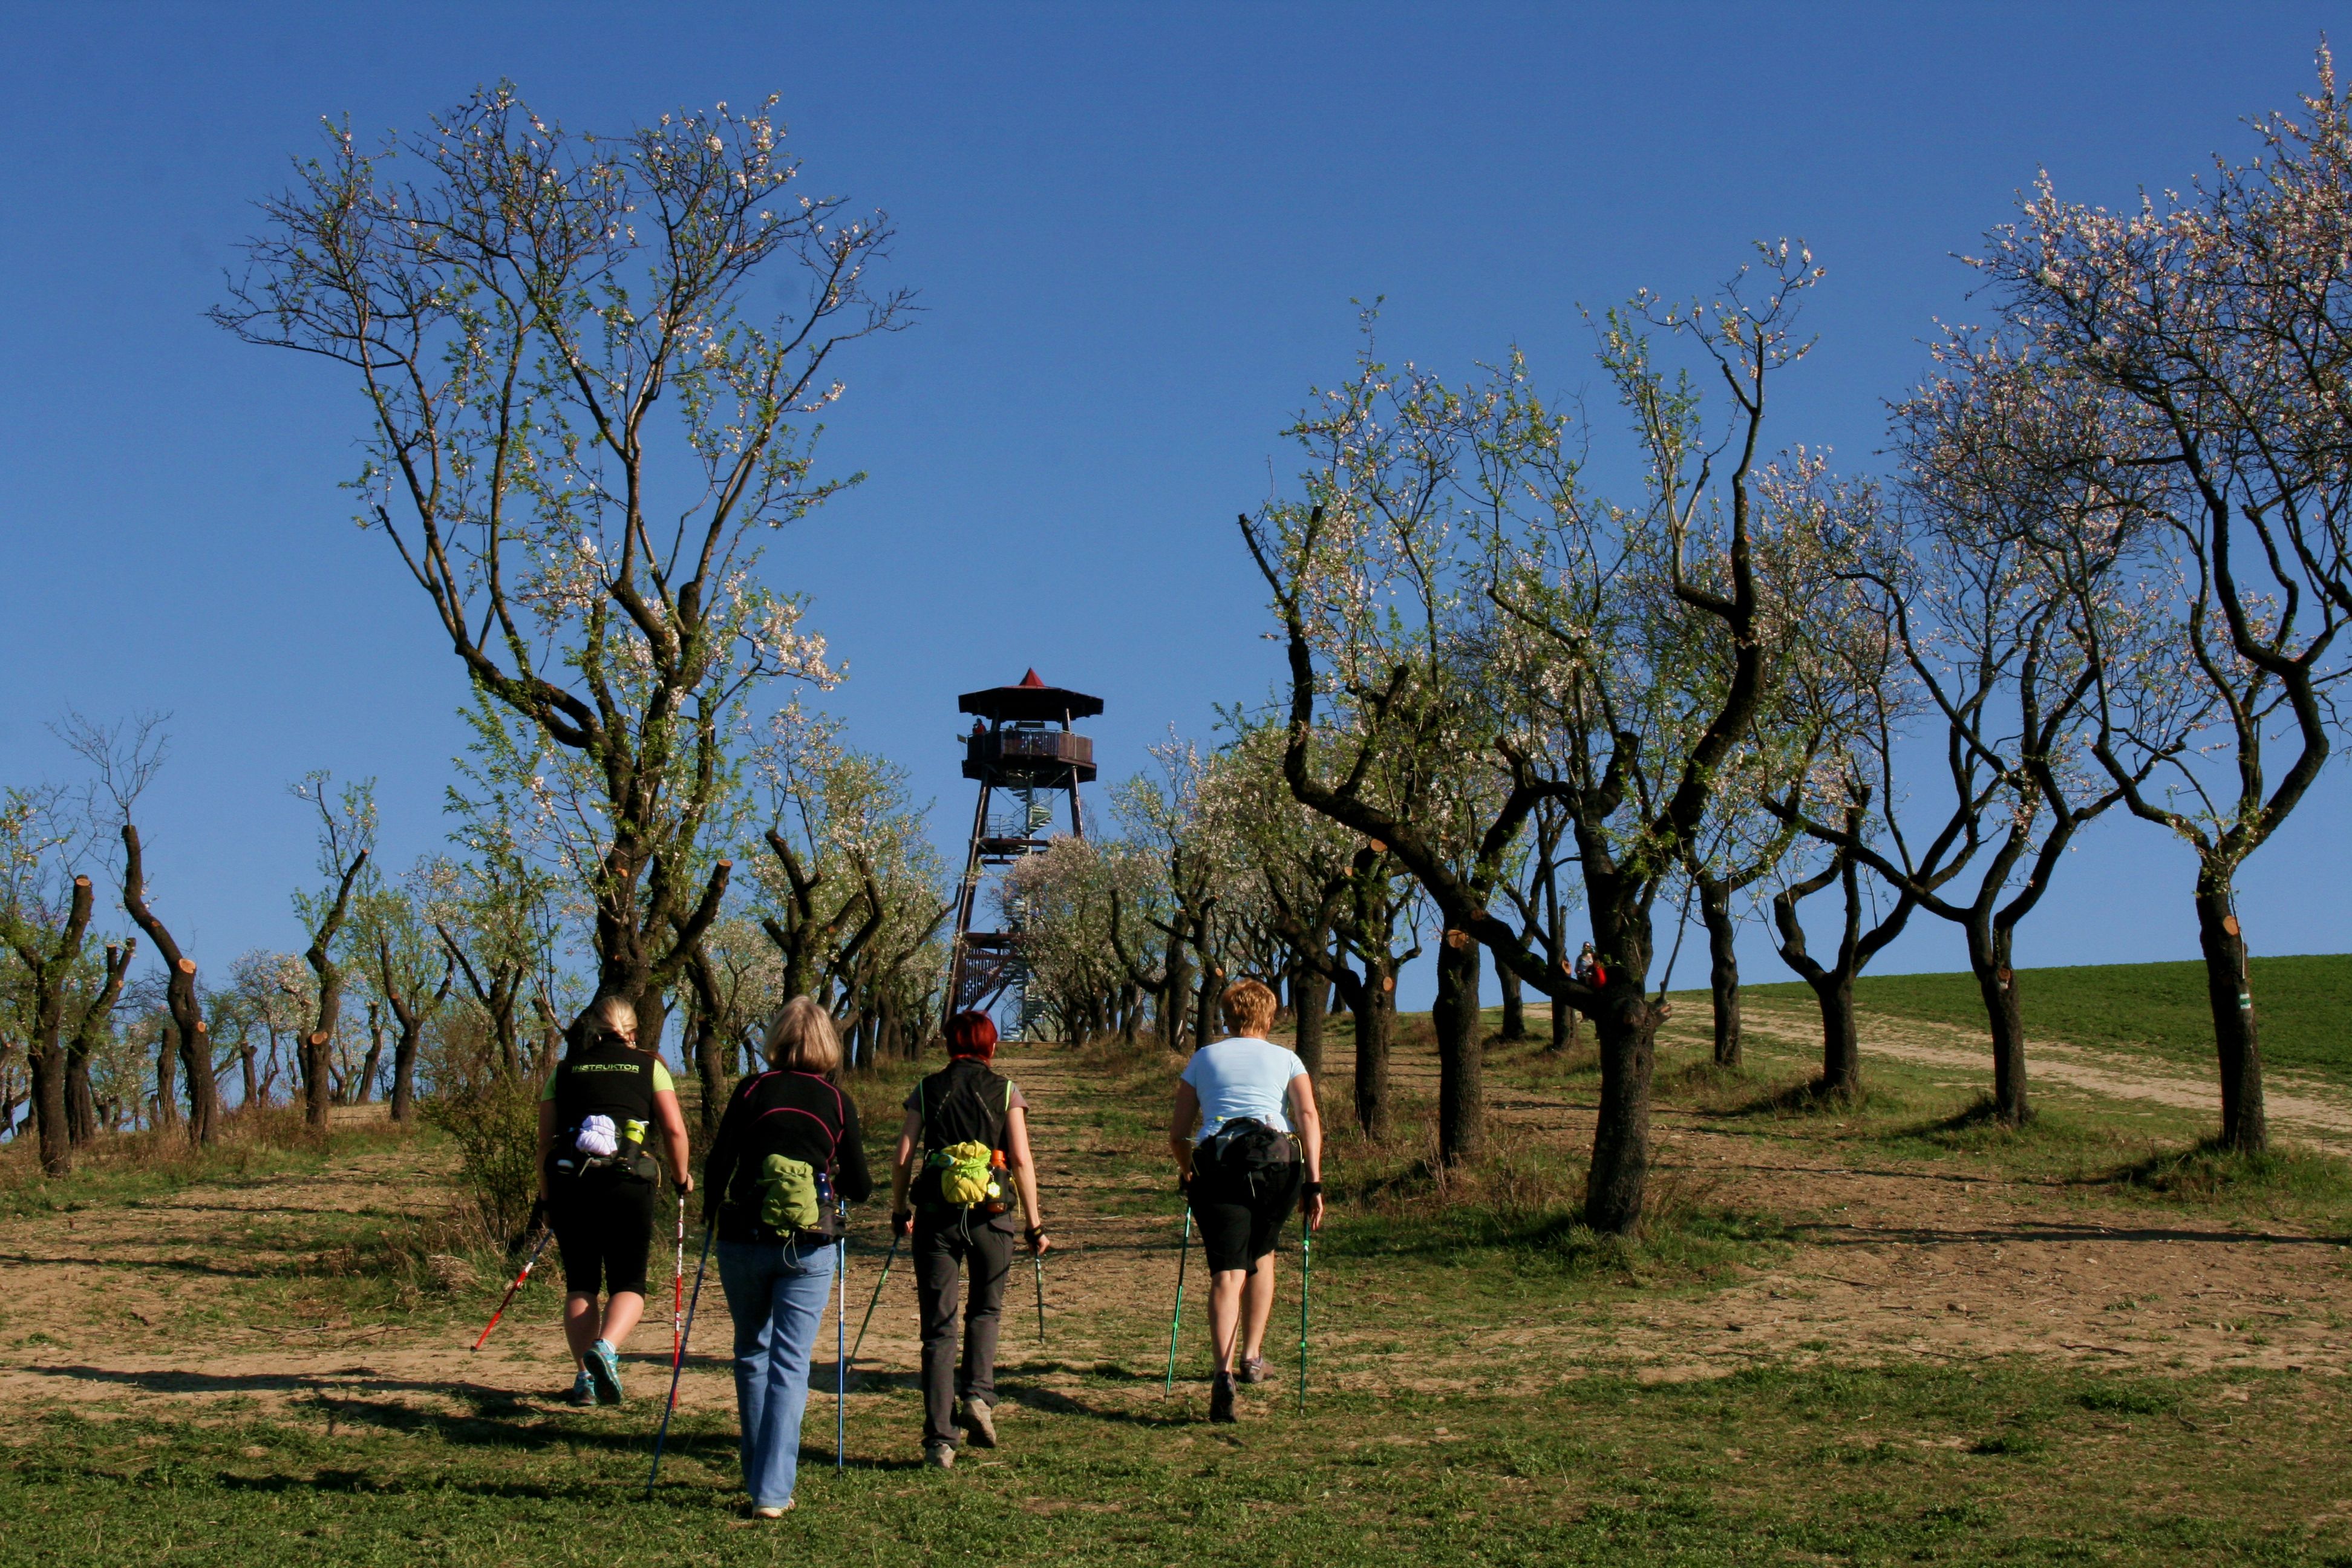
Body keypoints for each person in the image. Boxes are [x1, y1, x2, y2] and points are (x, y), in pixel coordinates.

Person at [702, 996, 872, 1518]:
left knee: (750, 1351)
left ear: (775, 1039)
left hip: (743, 1239)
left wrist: (712, 1218)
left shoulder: (750, 1089)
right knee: (790, 1364)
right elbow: (860, 1185)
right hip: (809, 1244)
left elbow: (719, 1163)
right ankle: (773, 1493)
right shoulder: (837, 1102)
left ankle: (757, 1475)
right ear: (827, 1045)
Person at [889, 1010, 1050, 1469]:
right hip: (992, 1217)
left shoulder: (925, 1089)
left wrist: (901, 1211)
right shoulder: (1006, 1091)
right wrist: (1035, 1224)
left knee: (938, 1329)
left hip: (937, 1217)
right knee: (986, 1310)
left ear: (947, 1046)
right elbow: (1020, 1159)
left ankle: (939, 1439)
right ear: (991, 1047)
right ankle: (978, 1396)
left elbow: (903, 1158)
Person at [1169, 978, 1324, 1423]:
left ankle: (1222, 1373)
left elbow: (1178, 1132)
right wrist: (1313, 1182)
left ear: (1227, 1015)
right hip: (1277, 1167)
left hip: (1217, 1167)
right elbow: (1308, 1115)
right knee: (1264, 1254)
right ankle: (1253, 1357)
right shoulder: (1287, 1059)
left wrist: (1187, 1169)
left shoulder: (1203, 1057)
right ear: (1269, 1015)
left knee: (1226, 1272)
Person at [536, 994, 692, 1408]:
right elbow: (675, 1131)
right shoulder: (650, 1066)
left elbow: (545, 1142)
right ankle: (606, 1348)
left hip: (572, 1184)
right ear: (633, 1032)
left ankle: (585, 1380)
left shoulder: (564, 1070)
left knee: (581, 1282)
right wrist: (682, 1179)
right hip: (628, 1183)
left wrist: (546, 1197)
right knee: (628, 1281)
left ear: (592, 1031)